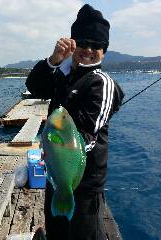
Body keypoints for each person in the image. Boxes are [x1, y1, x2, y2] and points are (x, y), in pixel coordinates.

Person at [26, 4, 124, 240]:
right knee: (57, 229)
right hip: (56, 172)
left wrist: (56, 147)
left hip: (85, 180)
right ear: (73, 44)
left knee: (84, 235)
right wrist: (54, 60)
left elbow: (88, 135)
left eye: (96, 46)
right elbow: (34, 87)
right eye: (83, 43)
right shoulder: (63, 72)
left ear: (104, 51)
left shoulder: (102, 83)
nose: (89, 49)